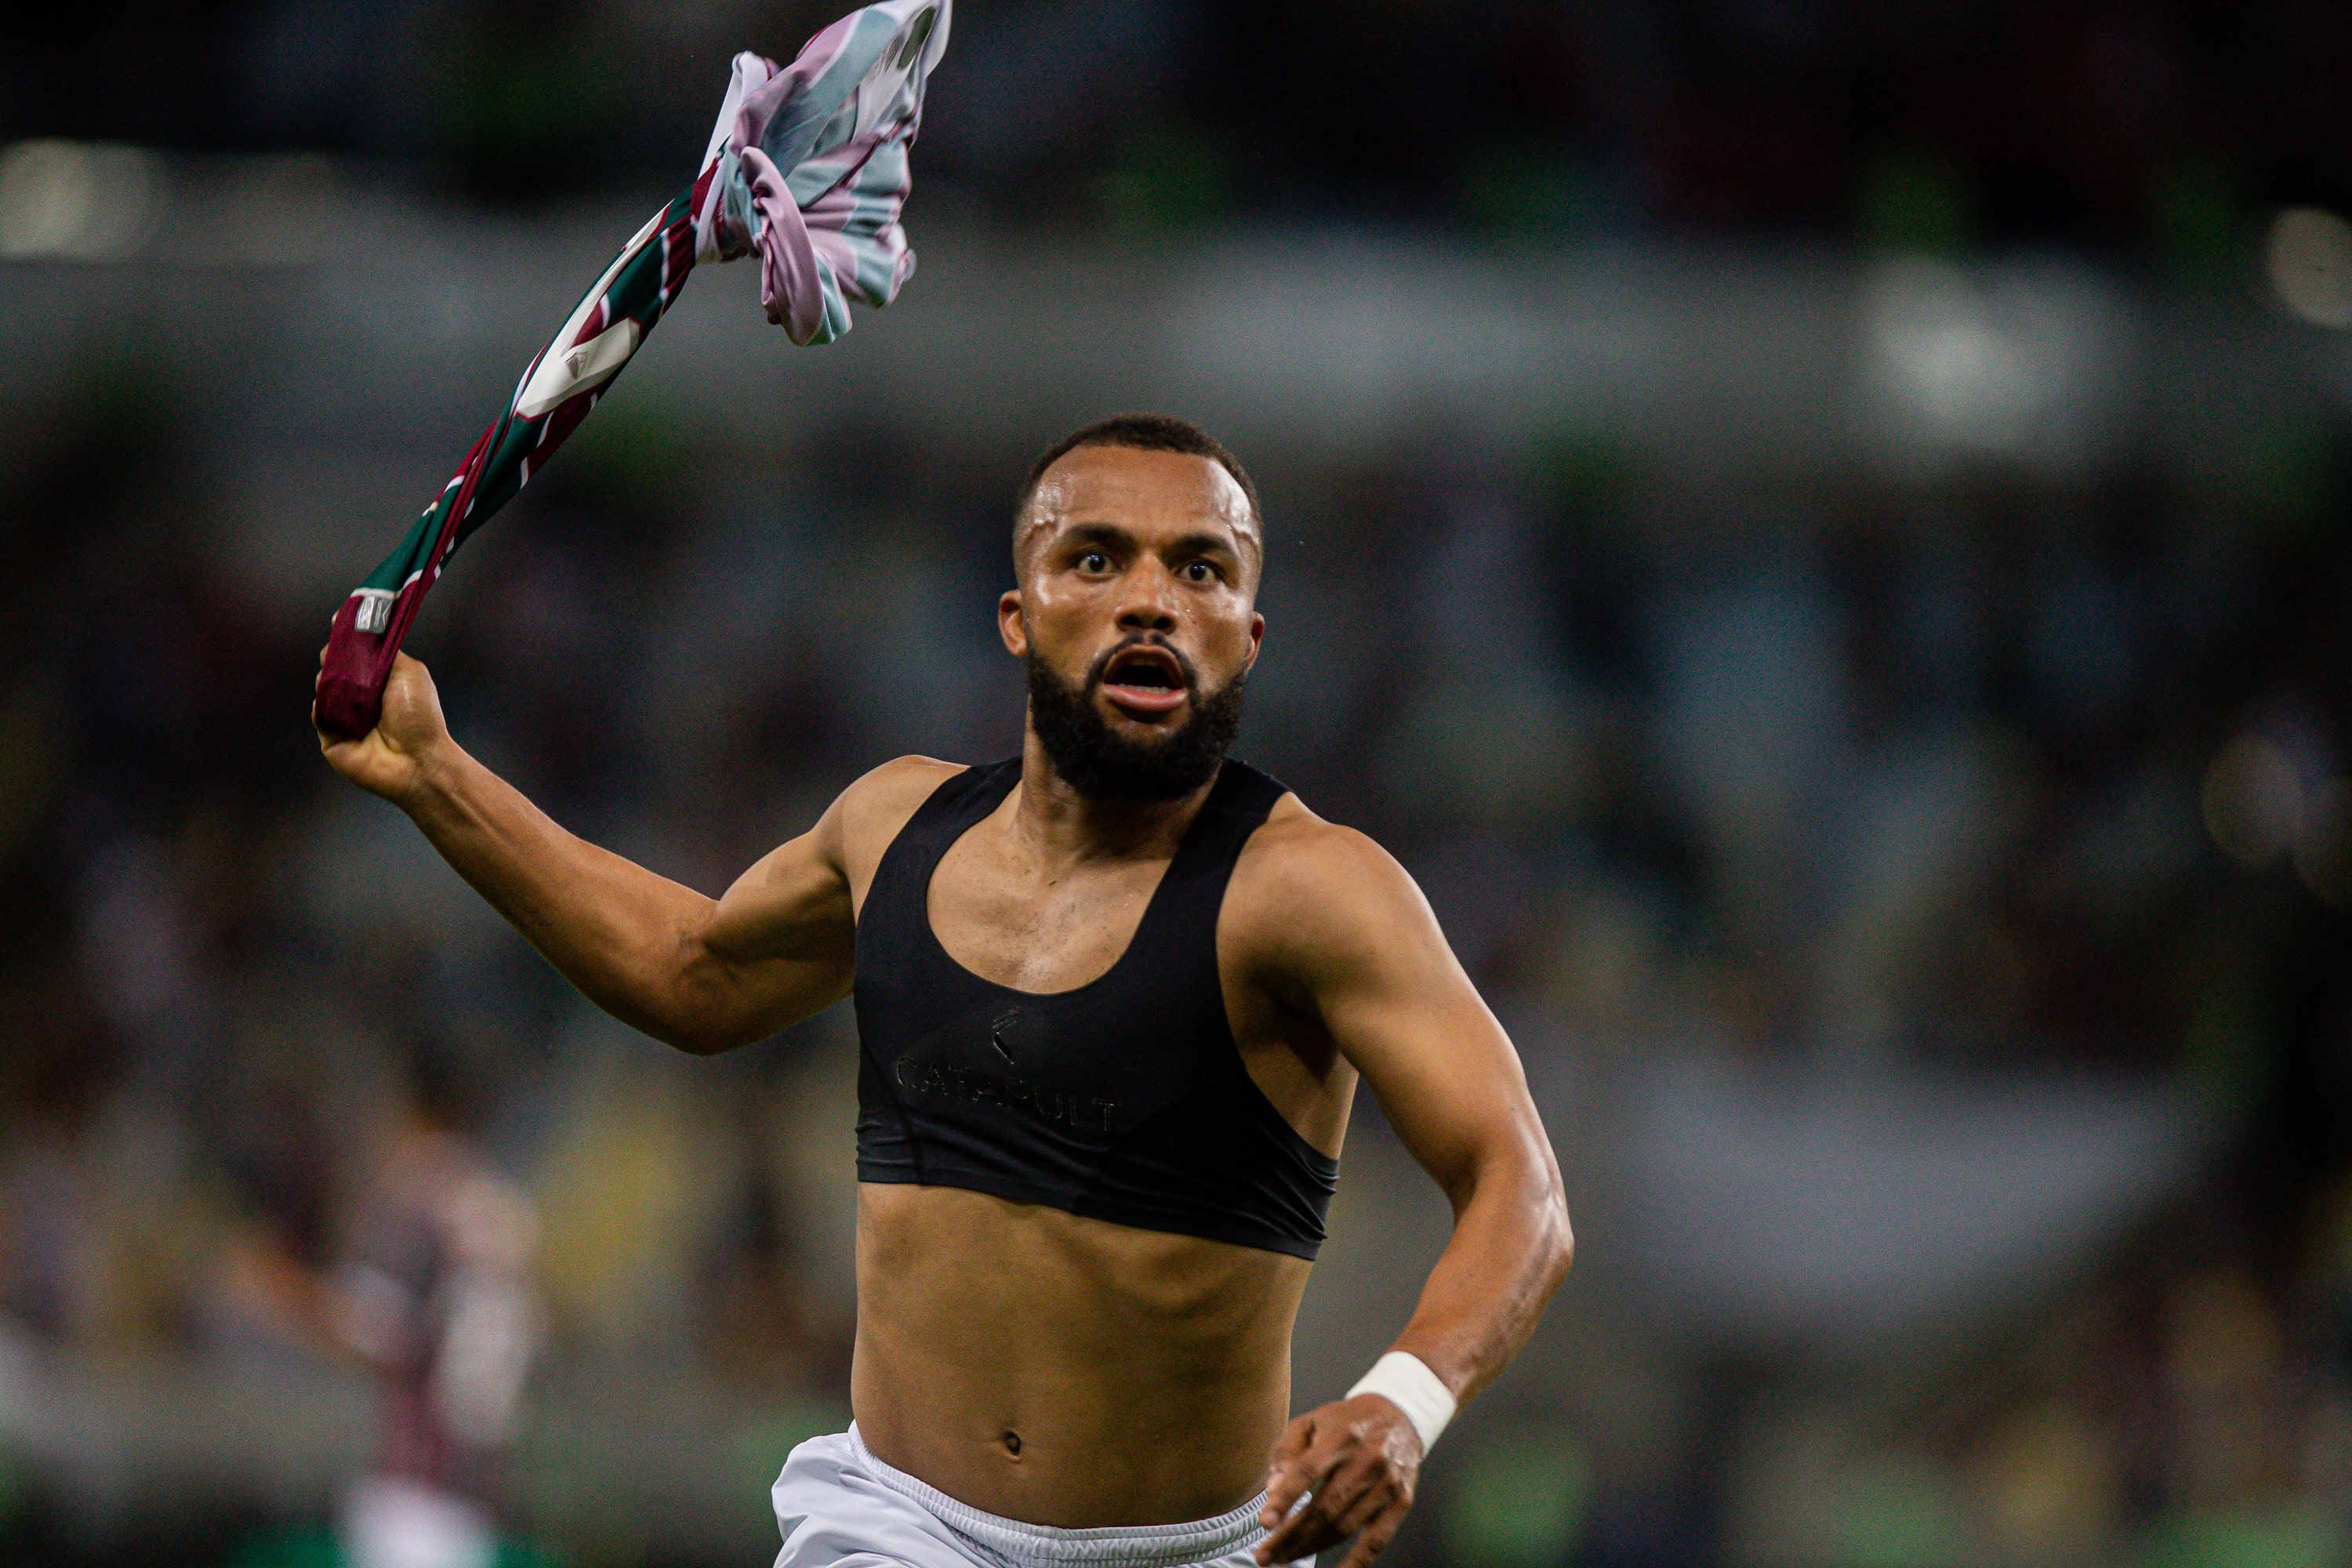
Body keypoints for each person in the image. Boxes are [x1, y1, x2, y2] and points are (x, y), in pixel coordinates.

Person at [314, 412, 1573, 1568]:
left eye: (1200, 568)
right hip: (898, 1527)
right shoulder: (891, 826)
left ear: (1248, 633)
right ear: (1019, 615)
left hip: (1199, 1551)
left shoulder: (1315, 891)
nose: (1150, 600)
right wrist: (431, 770)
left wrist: (1407, 1403)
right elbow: (691, 977)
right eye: (1096, 560)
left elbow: (1523, 1185)